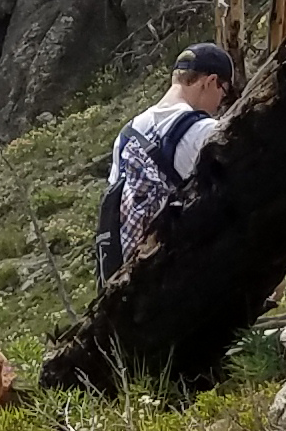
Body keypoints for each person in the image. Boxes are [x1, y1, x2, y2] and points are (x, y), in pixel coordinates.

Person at [96, 42, 234, 280]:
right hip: (175, 273)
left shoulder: (127, 134)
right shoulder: (204, 131)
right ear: (210, 82)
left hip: (125, 275)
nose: (220, 103)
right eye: (223, 91)